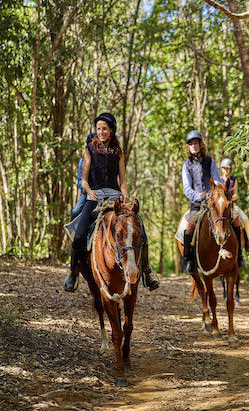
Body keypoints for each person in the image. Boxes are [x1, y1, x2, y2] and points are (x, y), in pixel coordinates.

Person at [63, 112, 159, 292]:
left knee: (140, 230)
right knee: (80, 234)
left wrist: (125, 195)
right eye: (98, 129)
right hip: (96, 196)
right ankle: (73, 273)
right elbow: (84, 179)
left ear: (111, 130)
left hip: (115, 196)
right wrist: (89, 191)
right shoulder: (89, 150)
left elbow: (122, 180)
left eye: (104, 129)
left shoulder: (118, 152)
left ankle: (146, 272)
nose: (101, 132)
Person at [181, 130, 222, 274]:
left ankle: (237, 254)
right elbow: (187, 189)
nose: (194, 146)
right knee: (190, 226)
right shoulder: (187, 165)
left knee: (229, 218)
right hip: (197, 203)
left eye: (196, 143)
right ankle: (187, 259)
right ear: (188, 147)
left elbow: (217, 179)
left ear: (200, 144)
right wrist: (200, 195)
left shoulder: (210, 161)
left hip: (213, 200)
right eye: (191, 143)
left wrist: (216, 192)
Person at [218, 158, 249, 268]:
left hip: (232, 204)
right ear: (221, 169)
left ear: (230, 170)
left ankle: (246, 243)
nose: (226, 170)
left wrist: (231, 198)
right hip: (221, 206)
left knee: (244, 219)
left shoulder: (233, 179)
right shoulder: (218, 180)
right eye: (224, 168)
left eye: (228, 168)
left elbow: (236, 193)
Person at [70, 132, 97, 221]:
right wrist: (87, 190)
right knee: (75, 211)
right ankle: (73, 233)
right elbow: (80, 180)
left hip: (101, 191)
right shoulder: (83, 161)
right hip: (86, 191)